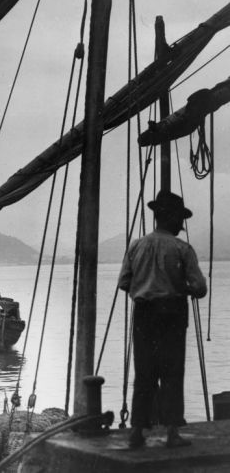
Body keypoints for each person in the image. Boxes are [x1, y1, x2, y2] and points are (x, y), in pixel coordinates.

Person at [118, 190, 207, 449]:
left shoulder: (137, 245)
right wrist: (181, 287)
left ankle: (137, 432)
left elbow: (124, 282)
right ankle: (172, 432)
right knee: (172, 372)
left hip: (143, 315)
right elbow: (200, 288)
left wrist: (146, 285)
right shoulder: (182, 249)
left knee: (144, 373)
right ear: (169, 218)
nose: (182, 224)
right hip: (172, 315)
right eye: (180, 218)